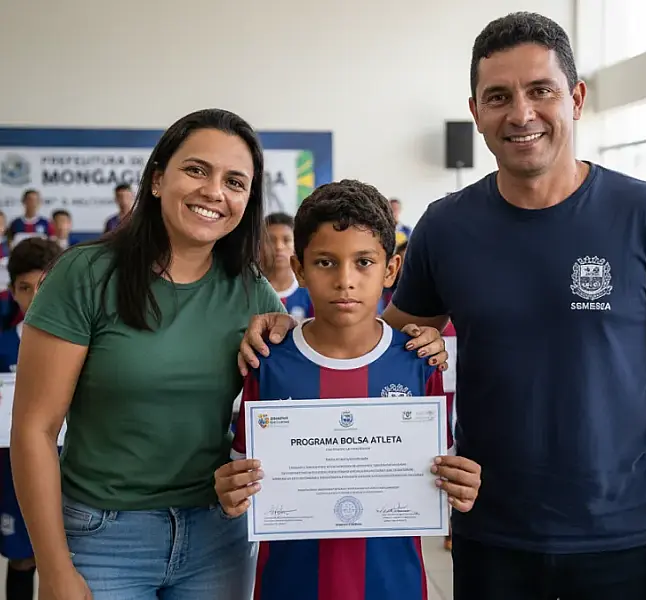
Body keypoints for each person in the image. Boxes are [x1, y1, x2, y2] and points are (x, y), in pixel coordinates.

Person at [238, 11, 646, 600]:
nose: (521, 113)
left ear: (575, 98)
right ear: (475, 112)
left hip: (619, 532)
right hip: (490, 533)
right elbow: (368, 343)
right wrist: (285, 324)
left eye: (541, 91)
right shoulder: (447, 227)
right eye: (498, 96)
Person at [9, 109, 447, 600]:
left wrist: (412, 342)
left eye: (235, 181)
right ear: (157, 179)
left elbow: (336, 347)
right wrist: (54, 566)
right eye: (196, 170)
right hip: (106, 536)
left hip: (217, 535)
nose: (214, 191)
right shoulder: (85, 275)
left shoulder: (253, 291)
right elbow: (33, 430)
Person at [215, 179, 481, 600]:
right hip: (290, 585)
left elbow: (439, 471)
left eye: (363, 262)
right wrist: (231, 490)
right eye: (325, 262)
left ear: (390, 269)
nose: (345, 280)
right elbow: (243, 476)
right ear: (299, 268)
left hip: (395, 585)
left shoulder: (418, 361)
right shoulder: (269, 361)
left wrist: (460, 484)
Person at [0, 238, 62, 600]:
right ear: (12, 291)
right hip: (12, 468)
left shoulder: (84, 341)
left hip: (71, 463)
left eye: (44, 286)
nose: (35, 297)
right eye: (25, 288)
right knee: (23, 558)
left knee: (69, 557)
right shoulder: (5, 344)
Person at [264, 212, 314, 320]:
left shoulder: (310, 292)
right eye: (271, 240)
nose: (279, 247)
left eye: (286, 240)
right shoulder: (250, 291)